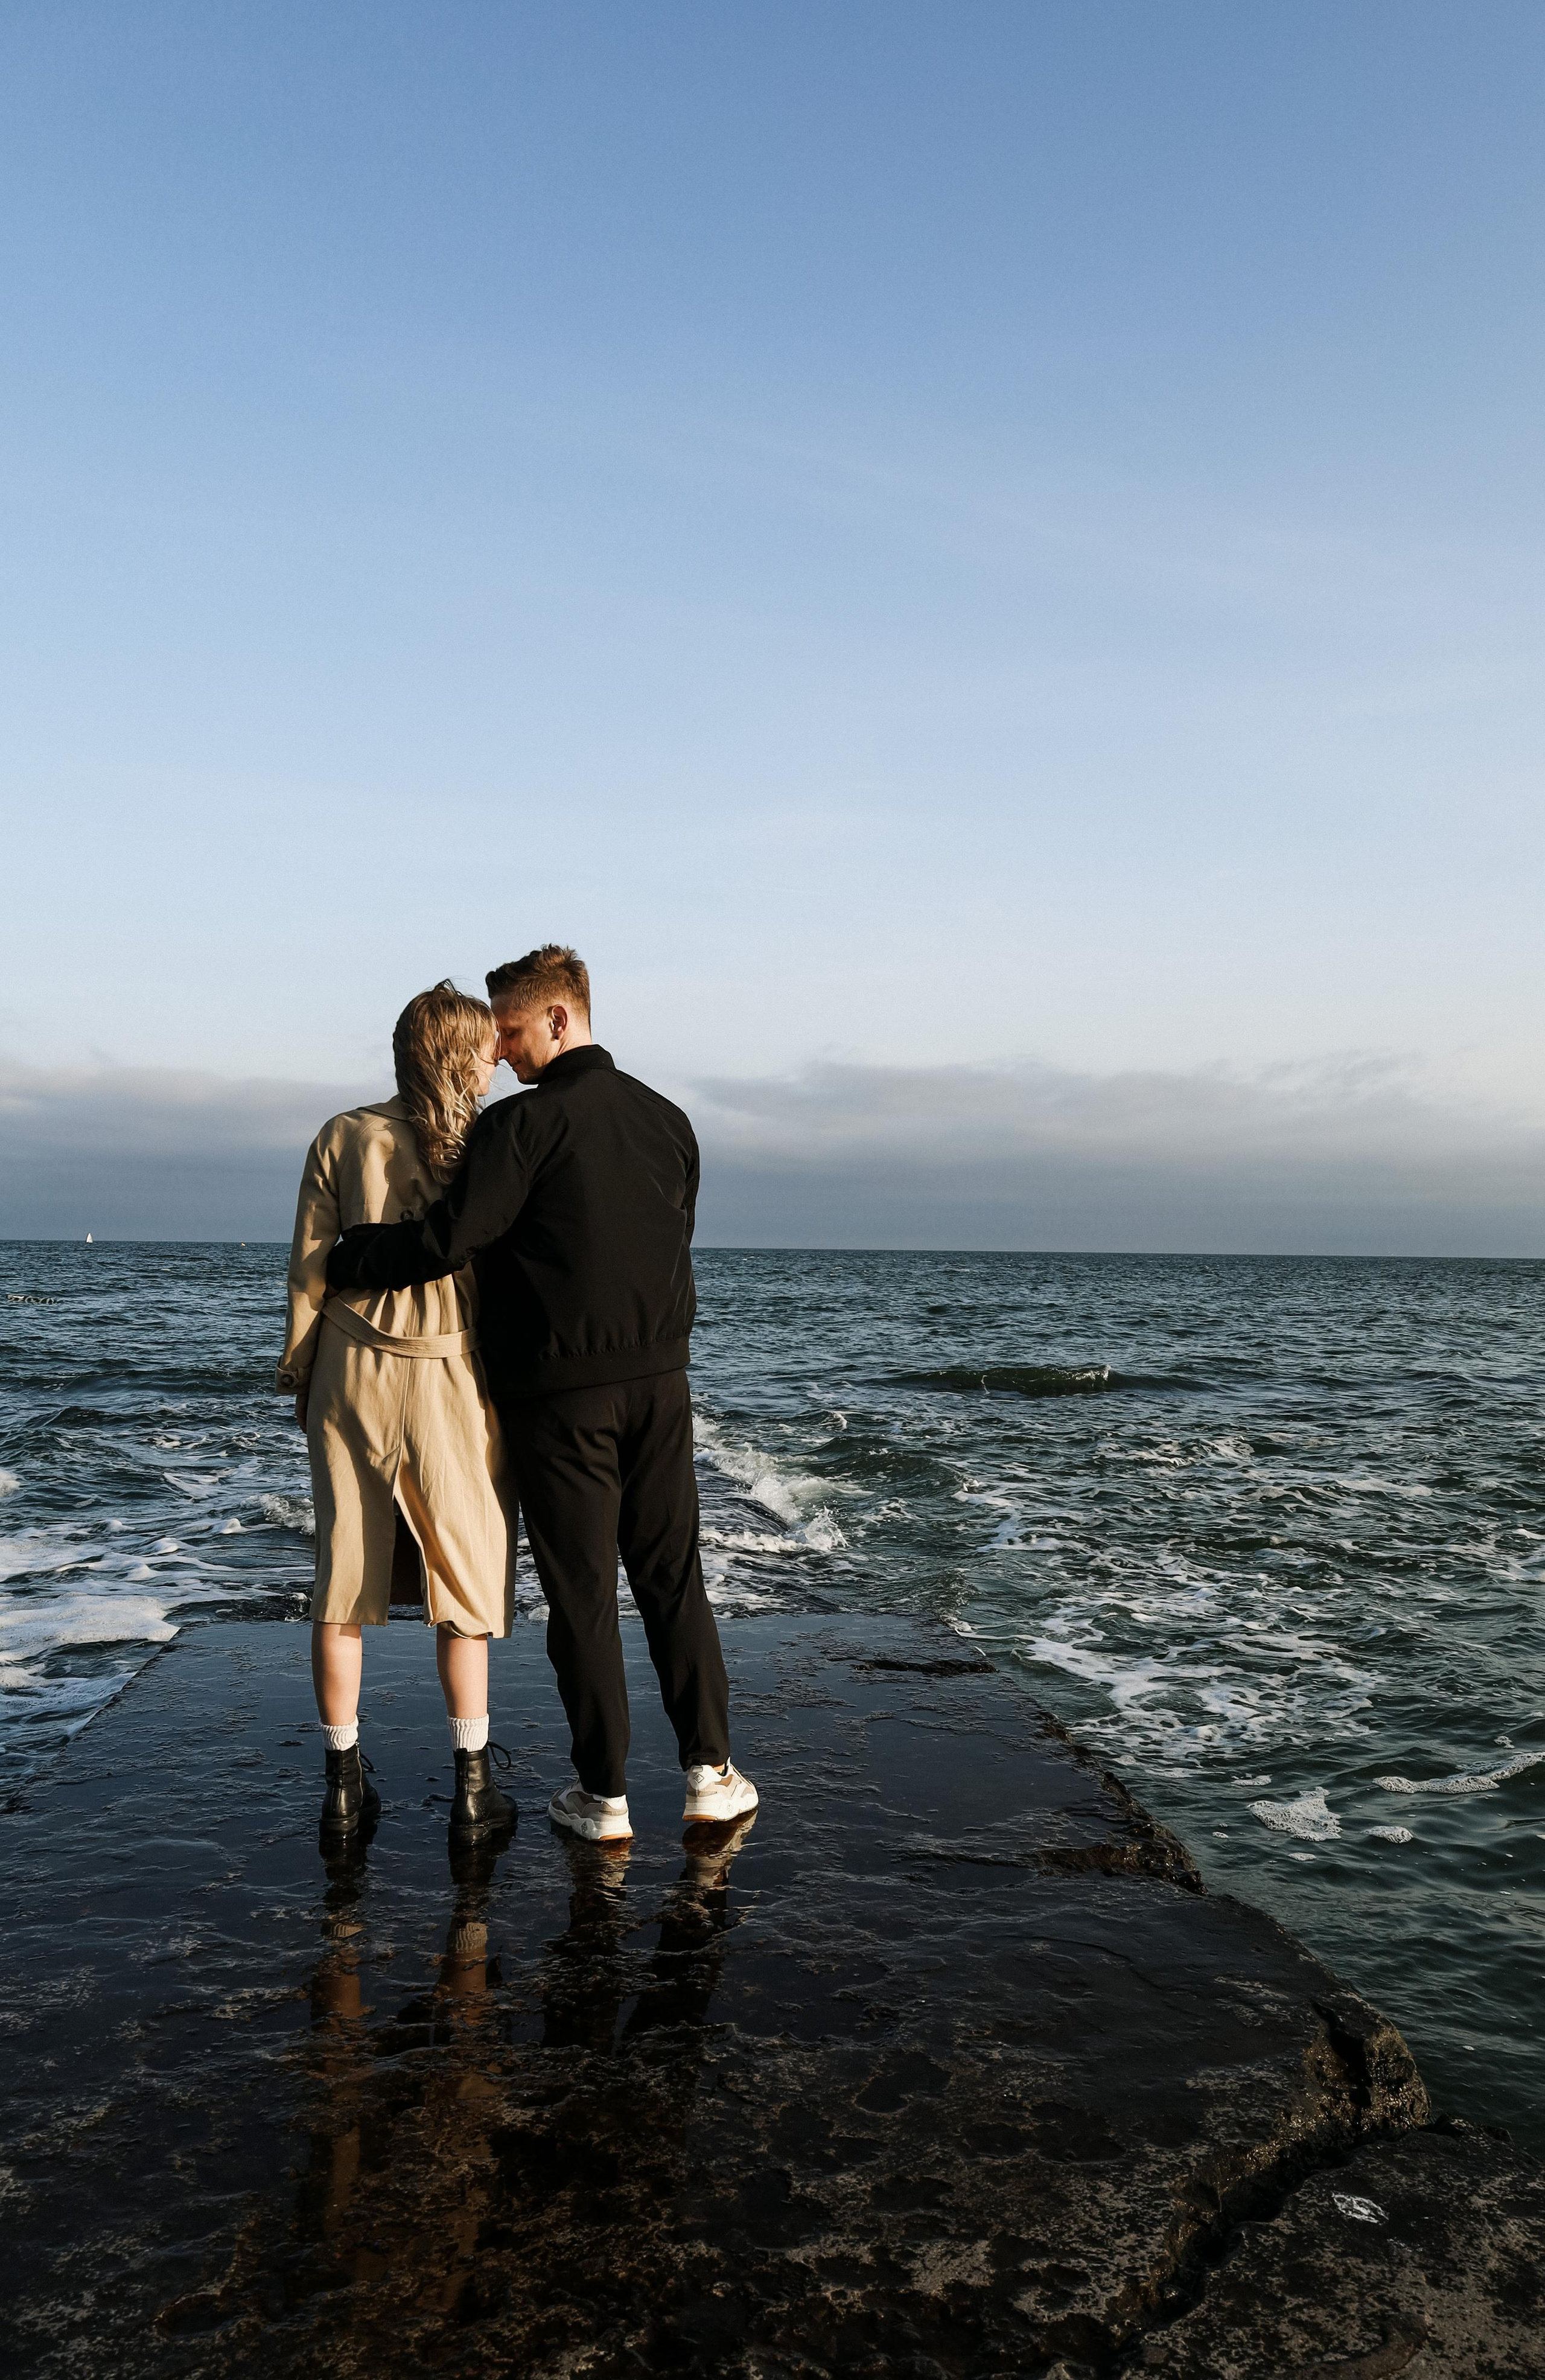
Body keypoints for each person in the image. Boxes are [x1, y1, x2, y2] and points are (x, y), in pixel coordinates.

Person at [323, 943, 756, 1845]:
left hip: (559, 1400)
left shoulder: (519, 1126)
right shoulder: (670, 1120)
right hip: (661, 1386)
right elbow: (670, 1240)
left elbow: (448, 1241)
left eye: (513, 1032)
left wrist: (352, 1254)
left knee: (583, 1595)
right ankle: (711, 1775)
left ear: (560, 1019)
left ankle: (606, 1799)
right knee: (674, 1578)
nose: (502, 1051)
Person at [276, 981, 519, 1845]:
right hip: (455, 1374)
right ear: (459, 1054)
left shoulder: (341, 1135)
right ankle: (473, 1788)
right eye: (486, 1050)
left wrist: (300, 1375)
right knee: (465, 1579)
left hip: (351, 1370)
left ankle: (343, 1787)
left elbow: (310, 1268)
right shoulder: (489, 1144)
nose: (496, 1064)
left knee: (342, 1579)